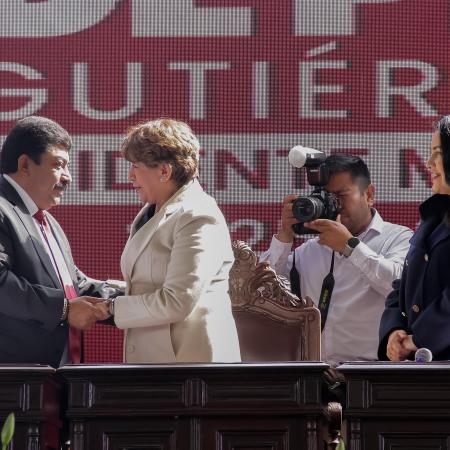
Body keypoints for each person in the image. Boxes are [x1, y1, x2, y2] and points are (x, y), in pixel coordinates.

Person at [104, 118, 241, 363]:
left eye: (135, 166)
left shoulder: (198, 214)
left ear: (164, 171)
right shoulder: (153, 211)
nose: (130, 176)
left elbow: (178, 300)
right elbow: (150, 283)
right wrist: (100, 292)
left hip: (191, 369)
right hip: (158, 364)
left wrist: (109, 309)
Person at [260, 155, 413, 367]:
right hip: (315, 374)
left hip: (374, 373)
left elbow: (401, 288)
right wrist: (284, 235)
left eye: (341, 195)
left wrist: (349, 246)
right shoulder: (310, 250)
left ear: (369, 195)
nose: (334, 205)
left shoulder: (399, 238)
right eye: (326, 198)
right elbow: (262, 291)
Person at [0, 116, 111, 368]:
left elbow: (74, 286)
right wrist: (62, 309)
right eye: (59, 165)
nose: (67, 177)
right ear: (25, 164)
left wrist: (135, 296)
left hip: (60, 377)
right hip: (15, 381)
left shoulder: (46, 220)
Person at [379, 115, 450, 361]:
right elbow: (403, 286)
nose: (428, 164)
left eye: (437, 153)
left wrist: (418, 339)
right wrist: (393, 332)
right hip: (421, 369)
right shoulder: (434, 217)